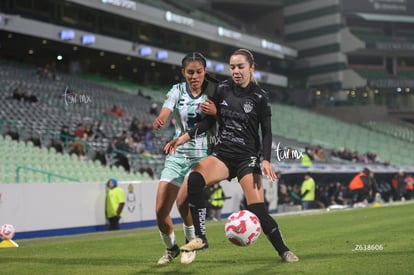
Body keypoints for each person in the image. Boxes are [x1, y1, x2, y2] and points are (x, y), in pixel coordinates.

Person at [165, 49, 299, 263]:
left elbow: (267, 132)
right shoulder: (222, 89)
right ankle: (201, 238)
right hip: (223, 155)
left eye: (241, 67)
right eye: (232, 67)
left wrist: (265, 159)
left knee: (258, 210)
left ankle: (284, 250)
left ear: (251, 68)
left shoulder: (260, 97)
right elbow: (209, 120)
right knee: (195, 178)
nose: (236, 71)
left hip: (248, 158)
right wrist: (184, 137)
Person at [152, 52, 218, 265]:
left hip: (200, 157)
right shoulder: (177, 90)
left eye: (199, 72)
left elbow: (221, 119)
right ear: (183, 73)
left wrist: (216, 111)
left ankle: (191, 242)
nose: (195, 76)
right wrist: (161, 119)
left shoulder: (213, 92)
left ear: (204, 72)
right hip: (176, 155)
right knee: (161, 211)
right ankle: (171, 248)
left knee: (182, 203)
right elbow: (166, 110)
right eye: (190, 72)